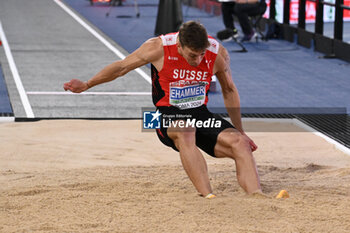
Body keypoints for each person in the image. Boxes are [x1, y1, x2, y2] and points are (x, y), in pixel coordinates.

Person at [63, 21, 262, 198]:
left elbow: (229, 90)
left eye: (202, 54)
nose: (198, 60)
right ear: (179, 46)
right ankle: (208, 197)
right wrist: (88, 84)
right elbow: (121, 68)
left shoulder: (217, 53)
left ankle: (257, 198)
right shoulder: (158, 48)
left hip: (200, 114)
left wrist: (241, 131)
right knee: (185, 130)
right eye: (193, 55)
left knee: (239, 143)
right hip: (167, 115)